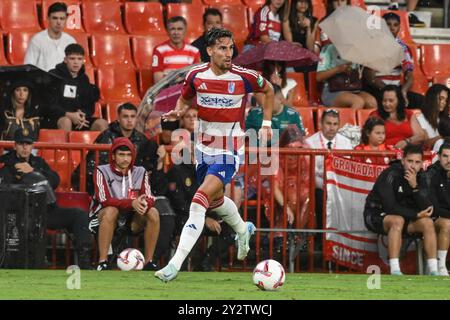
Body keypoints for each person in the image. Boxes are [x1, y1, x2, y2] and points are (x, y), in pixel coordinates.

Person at [154, 28, 274, 282]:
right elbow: (185, 100)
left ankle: (173, 266)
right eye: (222, 48)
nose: (228, 53)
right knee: (216, 201)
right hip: (203, 149)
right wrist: (177, 112)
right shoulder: (196, 75)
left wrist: (265, 124)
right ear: (209, 50)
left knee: (199, 200)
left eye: (230, 48)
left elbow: (269, 90)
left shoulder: (244, 76)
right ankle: (243, 230)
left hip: (229, 150)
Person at [0, 128, 93, 269]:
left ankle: (85, 264)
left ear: (32, 146)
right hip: (19, 216)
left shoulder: (38, 162)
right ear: (14, 146)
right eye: (21, 144)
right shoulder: (6, 165)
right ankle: (30, 263)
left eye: (28, 144)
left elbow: (55, 180)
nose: (25, 147)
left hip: (45, 211)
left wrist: (33, 171)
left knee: (78, 215)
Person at [364, 144, 438, 275]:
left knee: (428, 223)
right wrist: (415, 214)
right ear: (403, 160)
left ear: (422, 163)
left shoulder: (421, 177)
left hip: (406, 218)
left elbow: (428, 208)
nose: (413, 166)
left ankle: (434, 270)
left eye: (417, 162)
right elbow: (389, 206)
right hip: (376, 215)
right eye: (410, 161)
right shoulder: (390, 173)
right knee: (397, 220)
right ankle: (395, 270)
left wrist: (415, 187)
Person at [89, 137, 160, 271]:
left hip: (131, 219)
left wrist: (144, 203)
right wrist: (131, 203)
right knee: (111, 210)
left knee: (153, 212)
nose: (125, 159)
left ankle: (149, 262)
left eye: (128, 155)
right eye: (121, 154)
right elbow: (104, 200)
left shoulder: (140, 171)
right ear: (113, 156)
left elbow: (150, 196)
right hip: (103, 217)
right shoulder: (101, 171)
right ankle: (102, 262)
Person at [72, 103, 163, 195]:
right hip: (108, 186)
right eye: (125, 116)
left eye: (132, 116)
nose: (129, 120)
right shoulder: (106, 137)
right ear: (118, 118)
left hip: (134, 188)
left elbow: (147, 168)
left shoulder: (142, 140)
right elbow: (93, 167)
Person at [363, 12, 424, 109]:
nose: (392, 28)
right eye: (388, 24)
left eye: (395, 25)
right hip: (376, 88)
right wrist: (389, 92)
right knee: (389, 102)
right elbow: (370, 77)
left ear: (399, 27)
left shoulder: (403, 48)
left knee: (423, 101)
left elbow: (410, 76)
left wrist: (403, 91)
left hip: (396, 90)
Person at [305, 109, 352, 232]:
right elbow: (310, 172)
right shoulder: (310, 143)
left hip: (340, 185)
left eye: (335, 124)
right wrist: (326, 185)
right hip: (319, 185)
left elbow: (348, 169)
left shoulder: (346, 143)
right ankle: (322, 237)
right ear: (321, 123)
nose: (331, 128)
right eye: (328, 123)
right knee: (321, 196)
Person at [45, 44, 107, 132]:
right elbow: (47, 105)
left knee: (102, 123)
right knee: (66, 122)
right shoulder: (53, 75)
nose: (76, 62)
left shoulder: (84, 79)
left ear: (83, 61)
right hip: (56, 118)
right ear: (65, 60)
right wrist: (68, 114)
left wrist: (82, 114)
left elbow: (89, 106)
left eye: (79, 59)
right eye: (72, 58)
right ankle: (66, 146)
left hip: (78, 119)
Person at [316, 41, 377, 109]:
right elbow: (319, 77)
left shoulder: (357, 51)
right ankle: (349, 120)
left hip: (353, 89)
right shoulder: (329, 49)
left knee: (371, 102)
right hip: (332, 91)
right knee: (358, 102)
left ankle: (369, 120)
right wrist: (339, 69)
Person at [24, 2, 76, 72]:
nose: (58, 22)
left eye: (62, 18)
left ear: (66, 20)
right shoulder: (37, 40)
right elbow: (28, 67)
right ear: (48, 18)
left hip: (65, 82)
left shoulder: (71, 41)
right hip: (43, 81)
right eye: (55, 18)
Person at [369, 85, 425, 149]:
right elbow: (370, 139)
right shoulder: (375, 116)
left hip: (408, 152)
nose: (387, 104)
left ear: (399, 101)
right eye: (384, 101)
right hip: (384, 152)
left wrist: (406, 142)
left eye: (391, 101)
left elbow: (420, 136)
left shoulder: (408, 114)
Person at [152, 16, 201, 83]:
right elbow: (157, 80)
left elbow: (196, 77)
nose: (176, 33)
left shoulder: (194, 51)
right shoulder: (159, 50)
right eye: (172, 29)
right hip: (167, 91)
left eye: (180, 29)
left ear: (185, 30)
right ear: (167, 31)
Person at [426, 142, 450, 276]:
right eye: (445, 156)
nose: (449, 161)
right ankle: (441, 267)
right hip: (432, 218)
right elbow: (433, 208)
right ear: (439, 157)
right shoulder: (431, 174)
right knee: (447, 224)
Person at [416, 84, 450, 149]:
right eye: (441, 98)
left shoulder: (445, 119)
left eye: (446, 100)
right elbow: (425, 144)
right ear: (431, 98)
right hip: (430, 155)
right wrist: (442, 137)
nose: (444, 102)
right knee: (440, 142)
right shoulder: (419, 119)